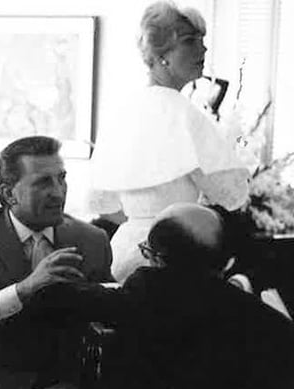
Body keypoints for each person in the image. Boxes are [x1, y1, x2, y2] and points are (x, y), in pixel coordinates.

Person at [35, 203, 294, 389]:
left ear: (156, 259)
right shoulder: (278, 328)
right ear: (226, 261)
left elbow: (59, 298)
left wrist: (43, 264)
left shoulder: (145, 297)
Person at [89, 1, 249, 282]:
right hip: (175, 258)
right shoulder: (183, 113)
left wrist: (142, 221)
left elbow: (103, 202)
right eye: (189, 41)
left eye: (203, 40)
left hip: (124, 252)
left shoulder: (122, 110)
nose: (203, 49)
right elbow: (231, 195)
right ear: (162, 55)